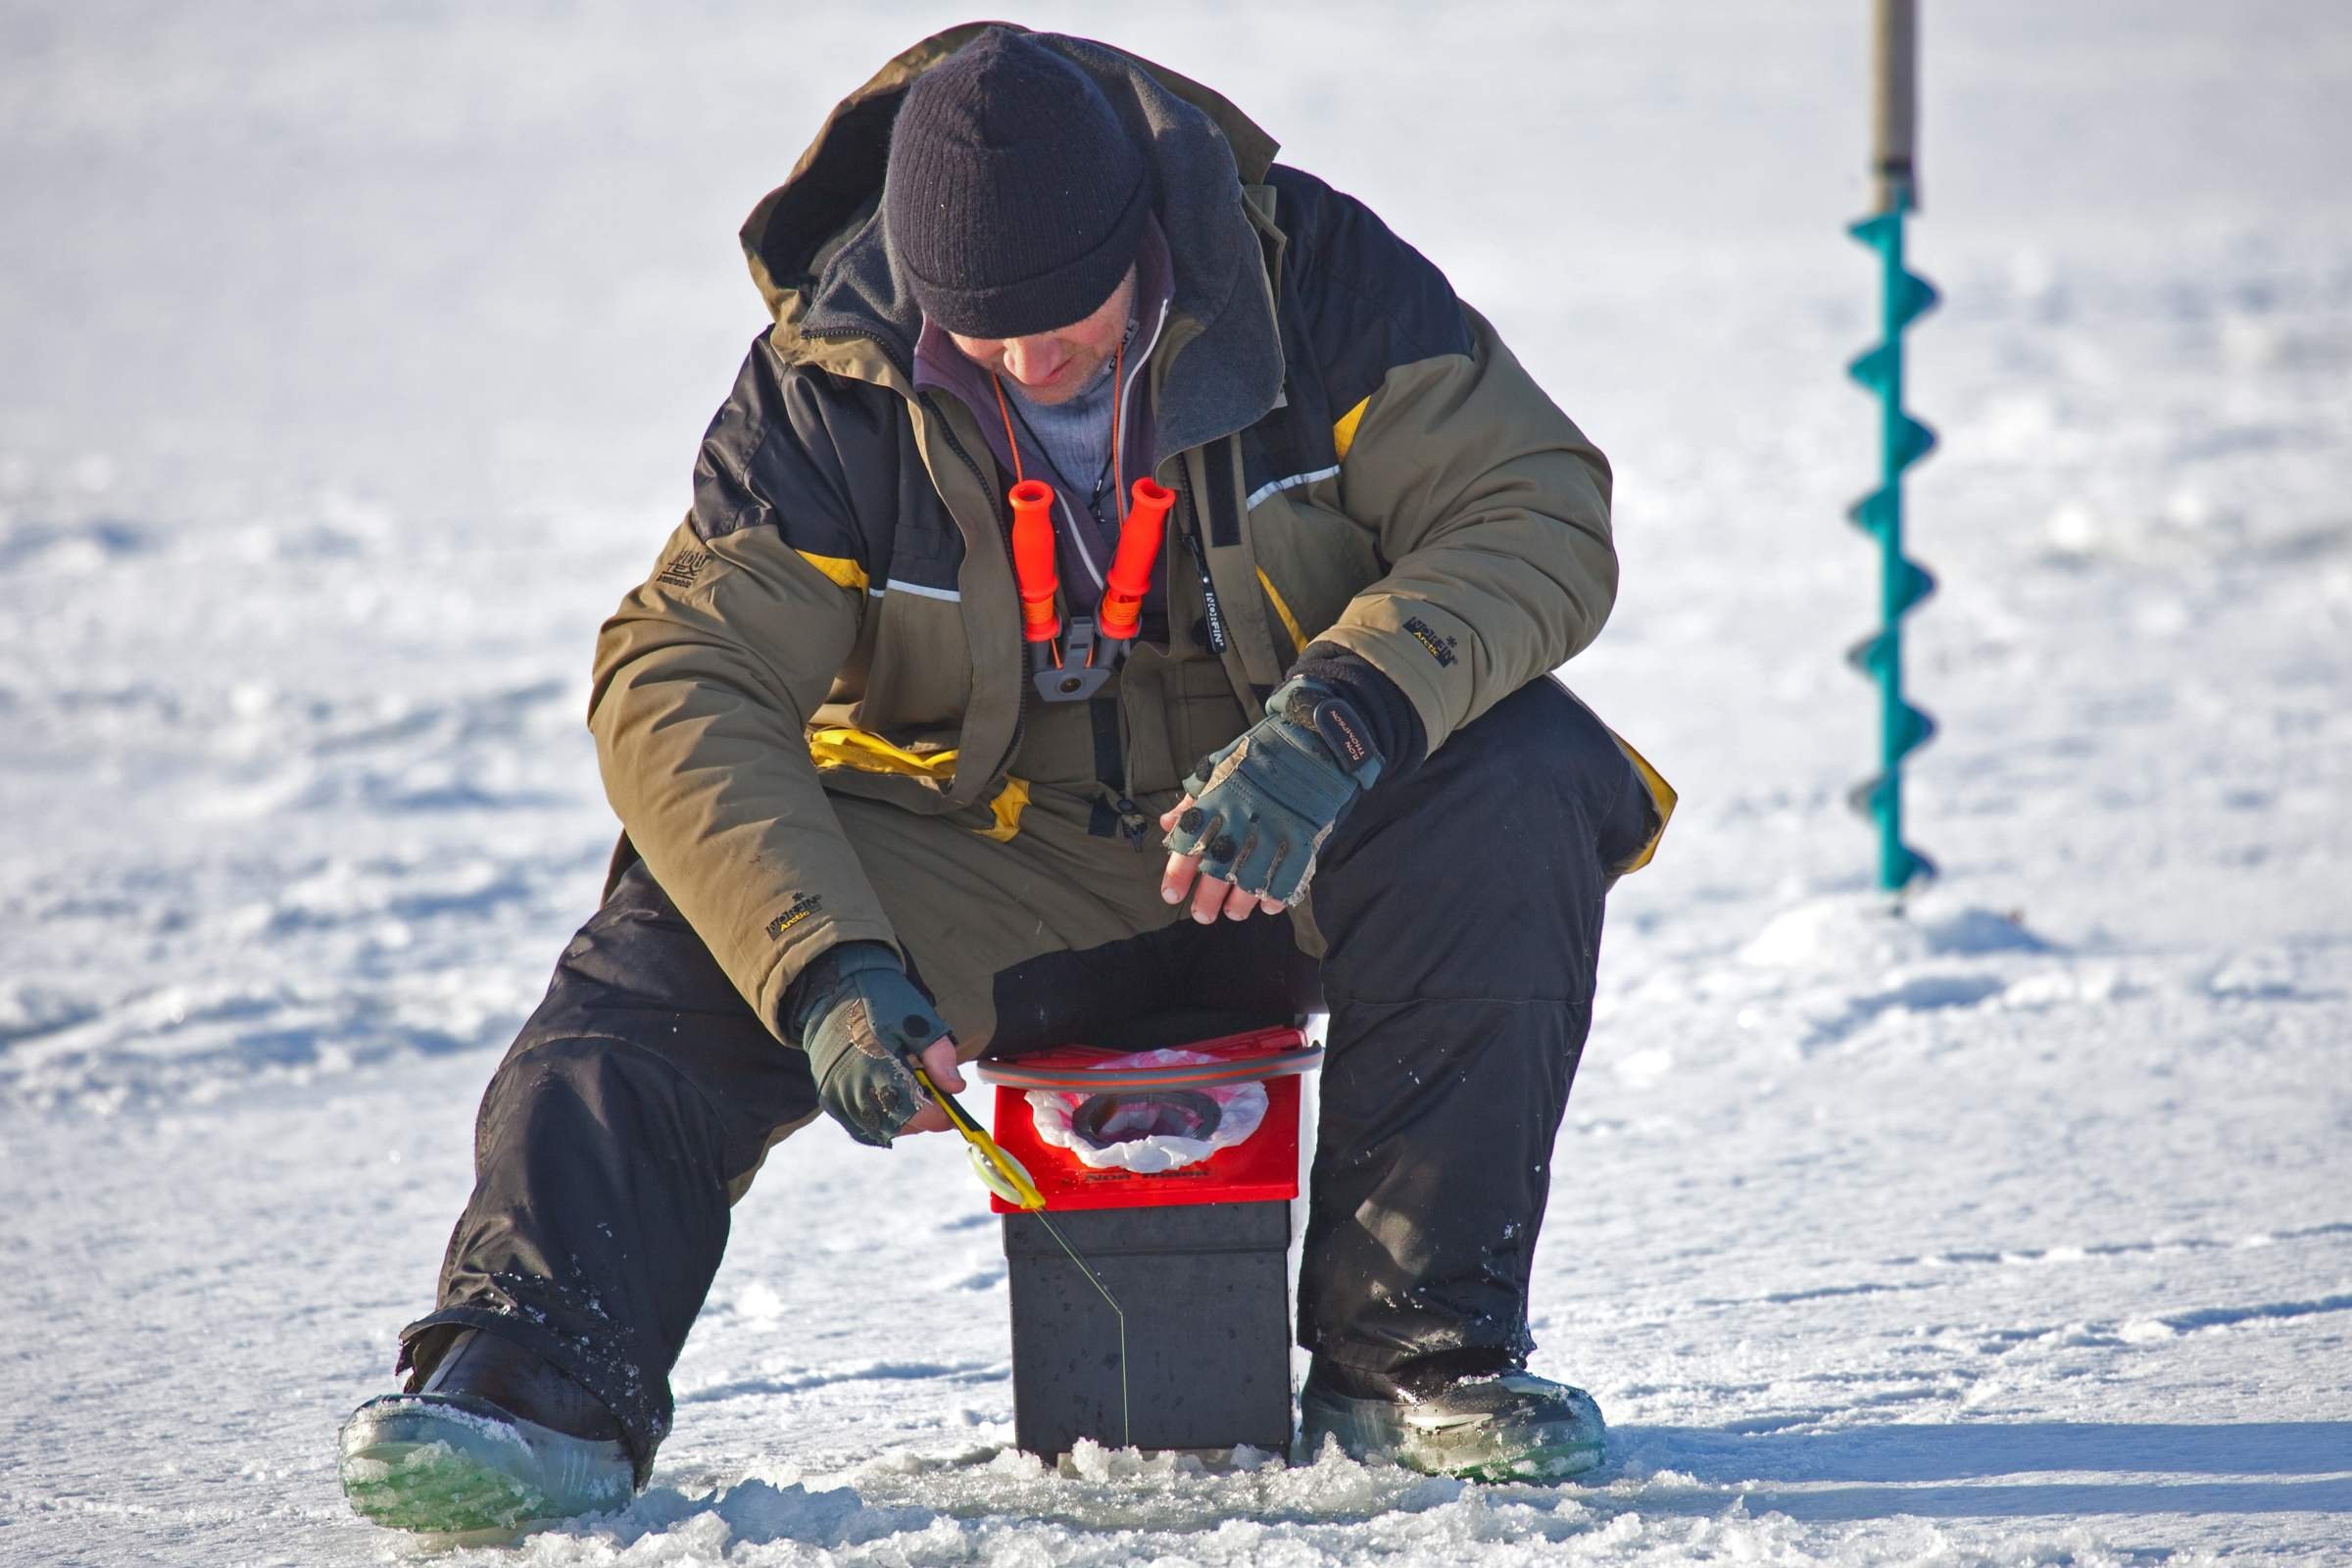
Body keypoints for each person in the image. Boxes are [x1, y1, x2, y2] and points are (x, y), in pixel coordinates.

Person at [337, 23, 1672, 1531]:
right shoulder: (822, 383)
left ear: (1149, 239)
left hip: (1289, 834)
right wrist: (827, 964)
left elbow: (1534, 510)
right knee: (677, 932)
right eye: (988, 333)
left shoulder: (1321, 281)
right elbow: (678, 675)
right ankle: (528, 1383)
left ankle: (1417, 1359)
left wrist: (1336, 726)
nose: (1036, 364)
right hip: (981, 867)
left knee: (1526, 770)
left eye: (1072, 321)